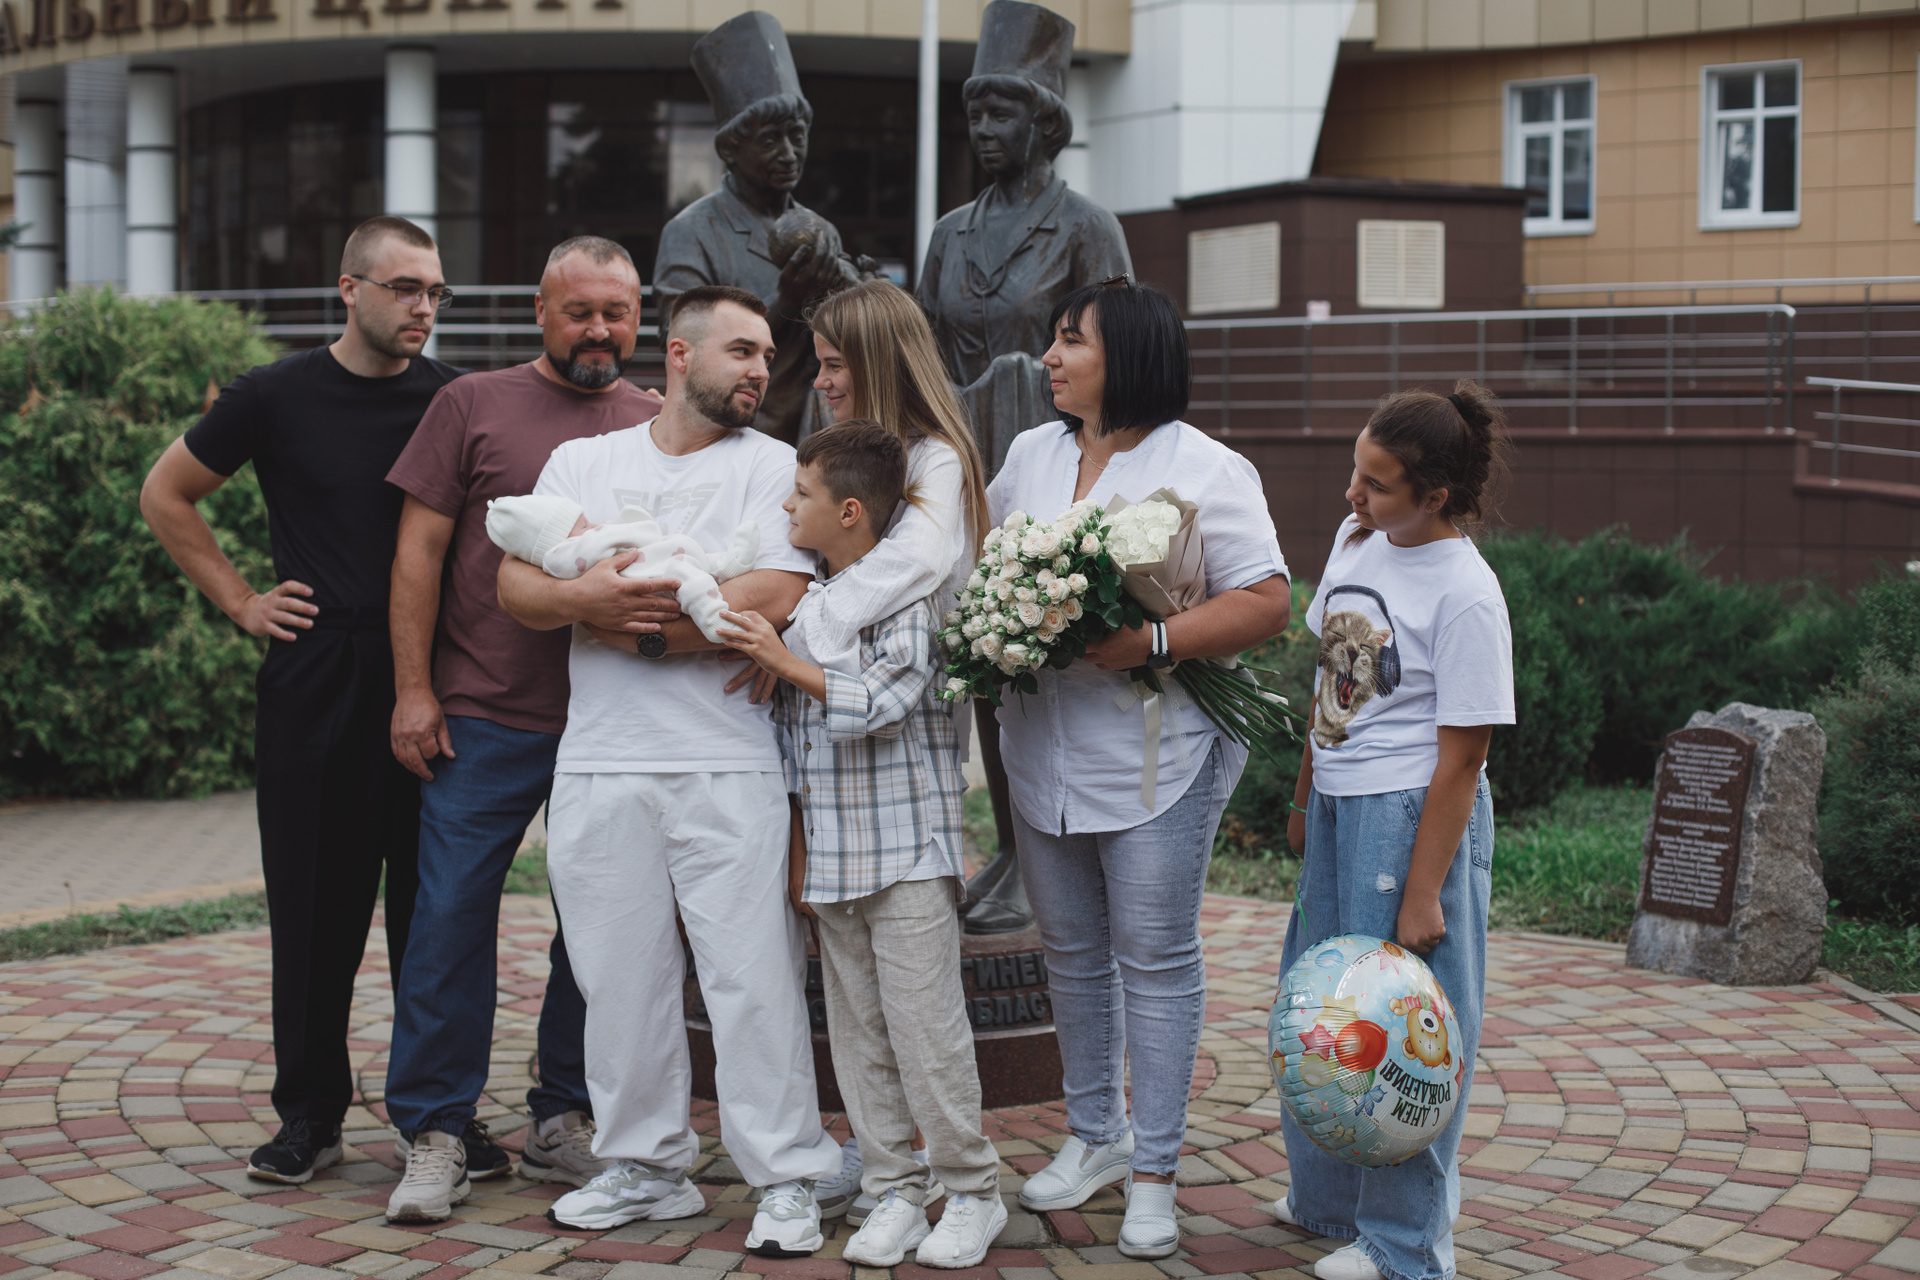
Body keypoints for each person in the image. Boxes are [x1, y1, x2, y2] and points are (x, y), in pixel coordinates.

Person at [496, 284, 842, 1253]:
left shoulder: (775, 464)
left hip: (725, 759)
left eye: (767, 354)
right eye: (742, 351)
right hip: (600, 760)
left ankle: (788, 1173)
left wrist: (626, 625)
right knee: (618, 980)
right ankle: (646, 1167)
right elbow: (517, 580)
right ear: (681, 356)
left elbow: (774, 591)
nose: (761, 370)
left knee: (753, 977)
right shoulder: (584, 460)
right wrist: (586, 602)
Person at [139, 217, 463, 1183]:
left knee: (432, 913)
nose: (423, 307)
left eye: (436, 292)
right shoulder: (274, 395)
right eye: (405, 288)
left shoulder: (454, 400)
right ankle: (310, 1115)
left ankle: (435, 1117)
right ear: (349, 288)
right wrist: (242, 600)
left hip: (430, 677)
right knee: (315, 910)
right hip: (315, 675)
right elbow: (165, 493)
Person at [985, 279, 1292, 1258]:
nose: (1051, 357)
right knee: (1070, 949)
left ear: (1130, 355)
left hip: (1161, 752)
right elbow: (991, 572)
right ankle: (1096, 1134)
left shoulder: (1207, 467)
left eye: (1071, 340)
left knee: (1155, 959)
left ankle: (1155, 1169)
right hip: (1043, 746)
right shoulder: (1031, 456)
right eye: (1053, 340)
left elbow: (1267, 600)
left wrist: (1152, 638)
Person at [377, 237, 665, 1221]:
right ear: (541, 313)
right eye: (580, 312)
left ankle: (561, 1116)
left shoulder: (656, 422)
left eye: (616, 313)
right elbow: (417, 553)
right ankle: (435, 1130)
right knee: (450, 918)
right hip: (484, 715)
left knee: (600, 928)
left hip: (614, 720)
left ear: (640, 317)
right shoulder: (471, 403)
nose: (599, 331)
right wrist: (413, 690)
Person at [717, 420, 1004, 1271]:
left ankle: (973, 1191)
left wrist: (782, 659)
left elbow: (881, 702)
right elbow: (794, 748)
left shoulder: (906, 604)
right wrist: (799, 851)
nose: (785, 507)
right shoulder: (813, 609)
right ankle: (893, 1188)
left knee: (926, 1035)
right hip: (837, 861)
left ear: (848, 512)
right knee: (859, 1037)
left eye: (800, 494)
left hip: (908, 856)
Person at [1271, 383, 1515, 1280]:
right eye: (1356, 472)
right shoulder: (1356, 541)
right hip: (1341, 801)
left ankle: (1406, 1243)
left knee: (1410, 1026)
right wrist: (1306, 797)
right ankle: (1329, 1203)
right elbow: (1332, 683)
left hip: (1411, 815)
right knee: (1328, 1008)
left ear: (1435, 496)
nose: (1353, 495)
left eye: (1376, 485)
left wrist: (1422, 892)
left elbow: (1465, 755)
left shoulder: (1467, 592)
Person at [915, 0, 1133, 935]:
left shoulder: (1086, 226)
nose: (982, 129)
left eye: (1000, 111)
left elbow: (1127, 355)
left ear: (1044, 121)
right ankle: (997, 843)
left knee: (1035, 664)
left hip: (1058, 477)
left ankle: (1037, 851)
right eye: (974, 112)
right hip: (966, 474)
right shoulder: (950, 233)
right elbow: (926, 355)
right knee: (974, 654)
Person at [776, 277, 990, 1222]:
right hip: (834, 800)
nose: (821, 380)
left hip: (903, 777)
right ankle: (888, 1172)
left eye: (834, 363)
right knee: (858, 1014)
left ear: (876, 361)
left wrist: (800, 633)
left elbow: (917, 564)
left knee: (919, 1012)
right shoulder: (843, 464)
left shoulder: (934, 463)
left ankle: (961, 1184)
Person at [653, 10, 861, 441]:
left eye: (797, 136)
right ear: (730, 150)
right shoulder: (691, 232)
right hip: (731, 435)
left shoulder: (821, 231)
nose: (789, 153)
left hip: (818, 432)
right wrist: (787, 300)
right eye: (769, 140)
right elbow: (684, 347)